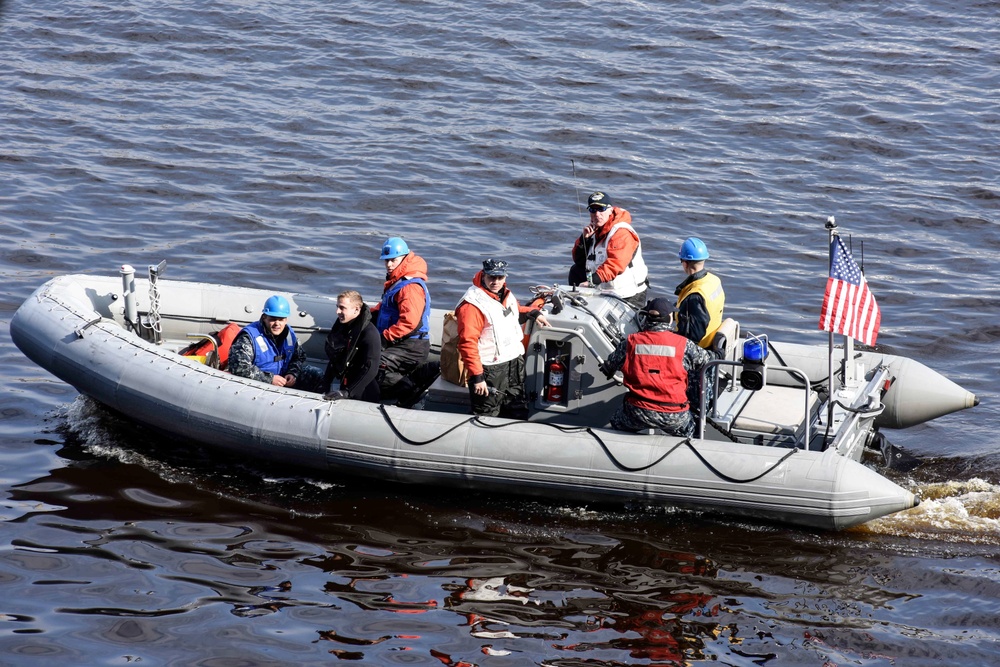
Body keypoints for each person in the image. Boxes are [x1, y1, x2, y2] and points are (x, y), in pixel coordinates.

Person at [602, 297, 720, 437]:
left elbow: (608, 367)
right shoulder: (684, 345)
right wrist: (719, 352)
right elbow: (708, 361)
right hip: (674, 414)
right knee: (692, 432)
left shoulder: (630, 342)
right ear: (669, 318)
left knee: (616, 423)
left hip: (638, 411)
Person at [456, 258, 550, 418]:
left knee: (517, 408)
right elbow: (467, 343)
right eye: (492, 277)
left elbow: (512, 312)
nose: (496, 282)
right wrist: (478, 377)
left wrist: (532, 312)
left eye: (500, 278)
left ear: (505, 277)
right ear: (483, 275)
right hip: (490, 369)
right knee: (486, 413)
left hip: (513, 363)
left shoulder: (505, 294)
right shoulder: (472, 305)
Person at [370, 236, 439, 404]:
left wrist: (384, 338)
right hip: (403, 343)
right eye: (386, 261)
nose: (389, 265)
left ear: (404, 258)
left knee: (373, 368)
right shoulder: (398, 282)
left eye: (393, 260)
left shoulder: (410, 287)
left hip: (411, 345)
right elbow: (387, 306)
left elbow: (409, 322)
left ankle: (410, 390)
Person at [568, 191, 649, 308]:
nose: (597, 214)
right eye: (593, 210)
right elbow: (579, 261)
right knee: (575, 271)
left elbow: (615, 264)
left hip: (628, 294)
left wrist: (591, 282)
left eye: (601, 209)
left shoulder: (621, 233)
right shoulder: (595, 230)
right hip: (604, 290)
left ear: (610, 210)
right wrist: (584, 240)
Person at [228, 295, 325, 391]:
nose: (277, 324)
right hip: (258, 384)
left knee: (317, 374)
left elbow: (299, 357)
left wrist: (292, 373)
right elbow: (239, 367)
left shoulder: (289, 334)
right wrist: (269, 379)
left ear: (286, 320)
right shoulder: (249, 337)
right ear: (264, 317)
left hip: (283, 378)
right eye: (273, 319)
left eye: (281, 319)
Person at [322, 290, 381, 403]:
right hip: (346, 383)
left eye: (342, 308)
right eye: (337, 307)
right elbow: (335, 359)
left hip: (363, 391)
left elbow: (371, 369)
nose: (337, 311)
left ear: (356, 310)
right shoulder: (343, 327)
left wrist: (347, 392)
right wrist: (325, 384)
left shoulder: (369, 334)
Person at [674, 237, 726, 348]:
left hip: (700, 352)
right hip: (711, 341)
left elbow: (692, 338)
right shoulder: (714, 280)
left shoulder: (695, 296)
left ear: (685, 263)